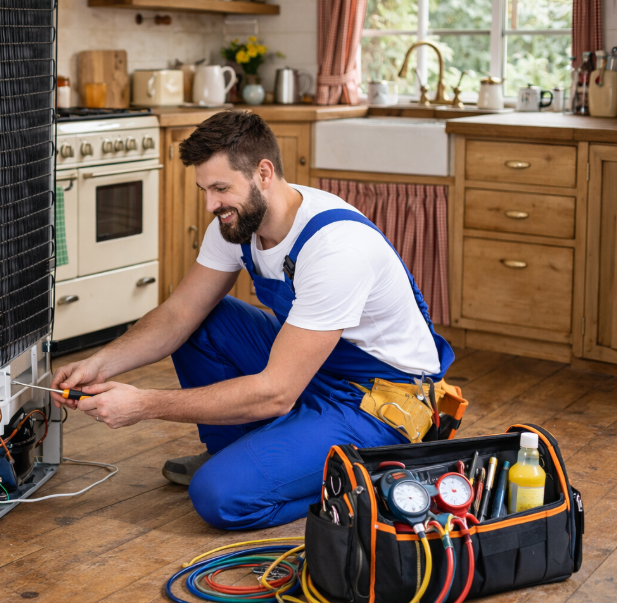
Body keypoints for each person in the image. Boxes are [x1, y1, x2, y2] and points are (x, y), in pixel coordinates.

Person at [51, 110, 454, 530]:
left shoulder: (336, 249)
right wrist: (99, 364)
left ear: (264, 173)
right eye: (204, 190)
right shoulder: (238, 223)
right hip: (316, 366)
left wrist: (144, 405)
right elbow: (178, 314)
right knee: (204, 320)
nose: (211, 205)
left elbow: (276, 392)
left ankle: (365, 475)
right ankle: (240, 453)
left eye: (221, 188)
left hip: (379, 401)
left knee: (219, 496)